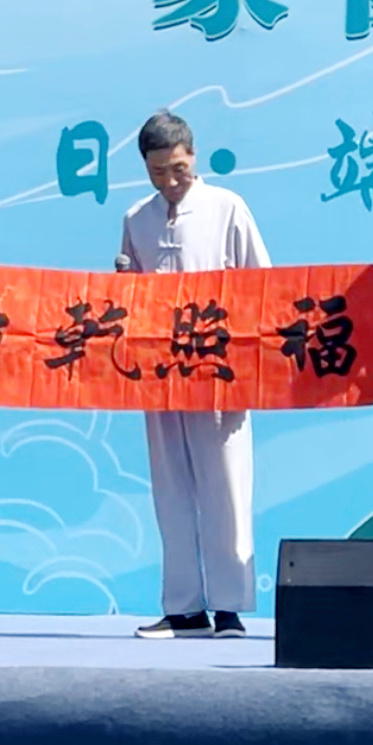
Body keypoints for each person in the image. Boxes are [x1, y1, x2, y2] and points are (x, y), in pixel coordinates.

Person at [119, 111, 270, 639]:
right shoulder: (137, 217)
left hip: (219, 373)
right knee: (171, 489)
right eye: (157, 172)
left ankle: (229, 607)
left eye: (178, 169)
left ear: (194, 156)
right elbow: (128, 297)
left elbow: (263, 288)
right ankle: (184, 608)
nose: (169, 182)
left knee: (225, 486)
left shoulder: (227, 208)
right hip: (160, 376)